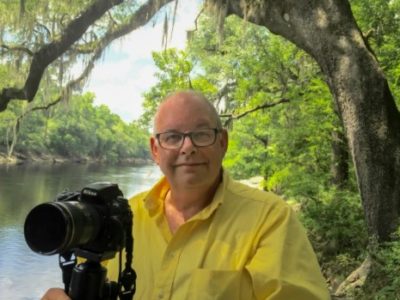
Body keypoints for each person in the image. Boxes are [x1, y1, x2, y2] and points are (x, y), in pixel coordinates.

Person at [41, 90, 330, 300]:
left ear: (223, 142)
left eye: (201, 134)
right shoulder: (119, 217)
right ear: (156, 150)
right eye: (173, 137)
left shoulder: (269, 219)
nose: (187, 147)